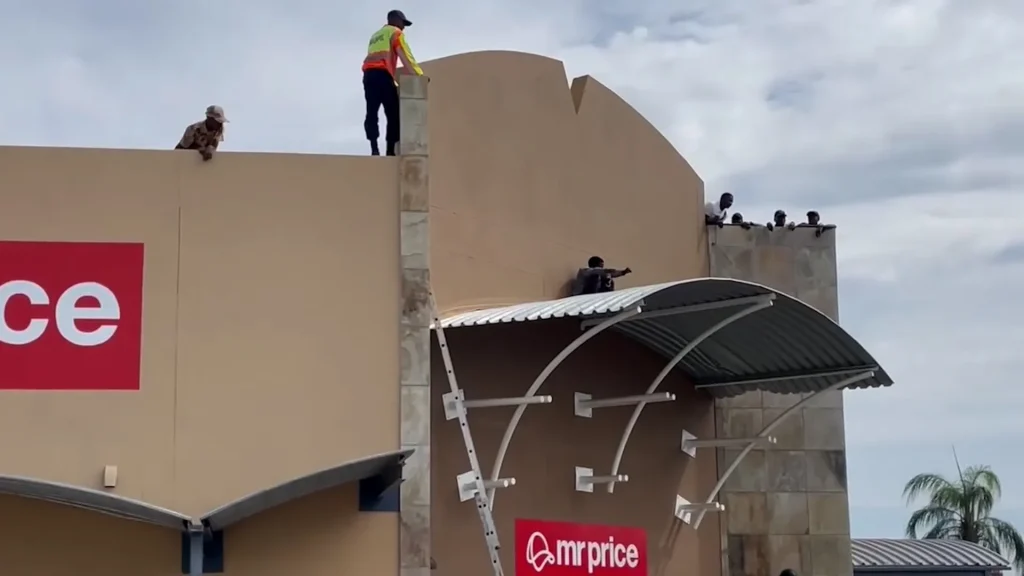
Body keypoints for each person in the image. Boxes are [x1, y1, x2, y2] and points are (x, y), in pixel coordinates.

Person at [362, 9, 425, 156]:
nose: (403, 27)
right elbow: (406, 55)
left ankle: (374, 148)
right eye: (402, 23)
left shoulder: (375, 36)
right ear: (395, 20)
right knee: (393, 113)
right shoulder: (395, 33)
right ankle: (390, 150)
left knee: (371, 112)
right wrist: (418, 75)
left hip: (368, 76)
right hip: (383, 75)